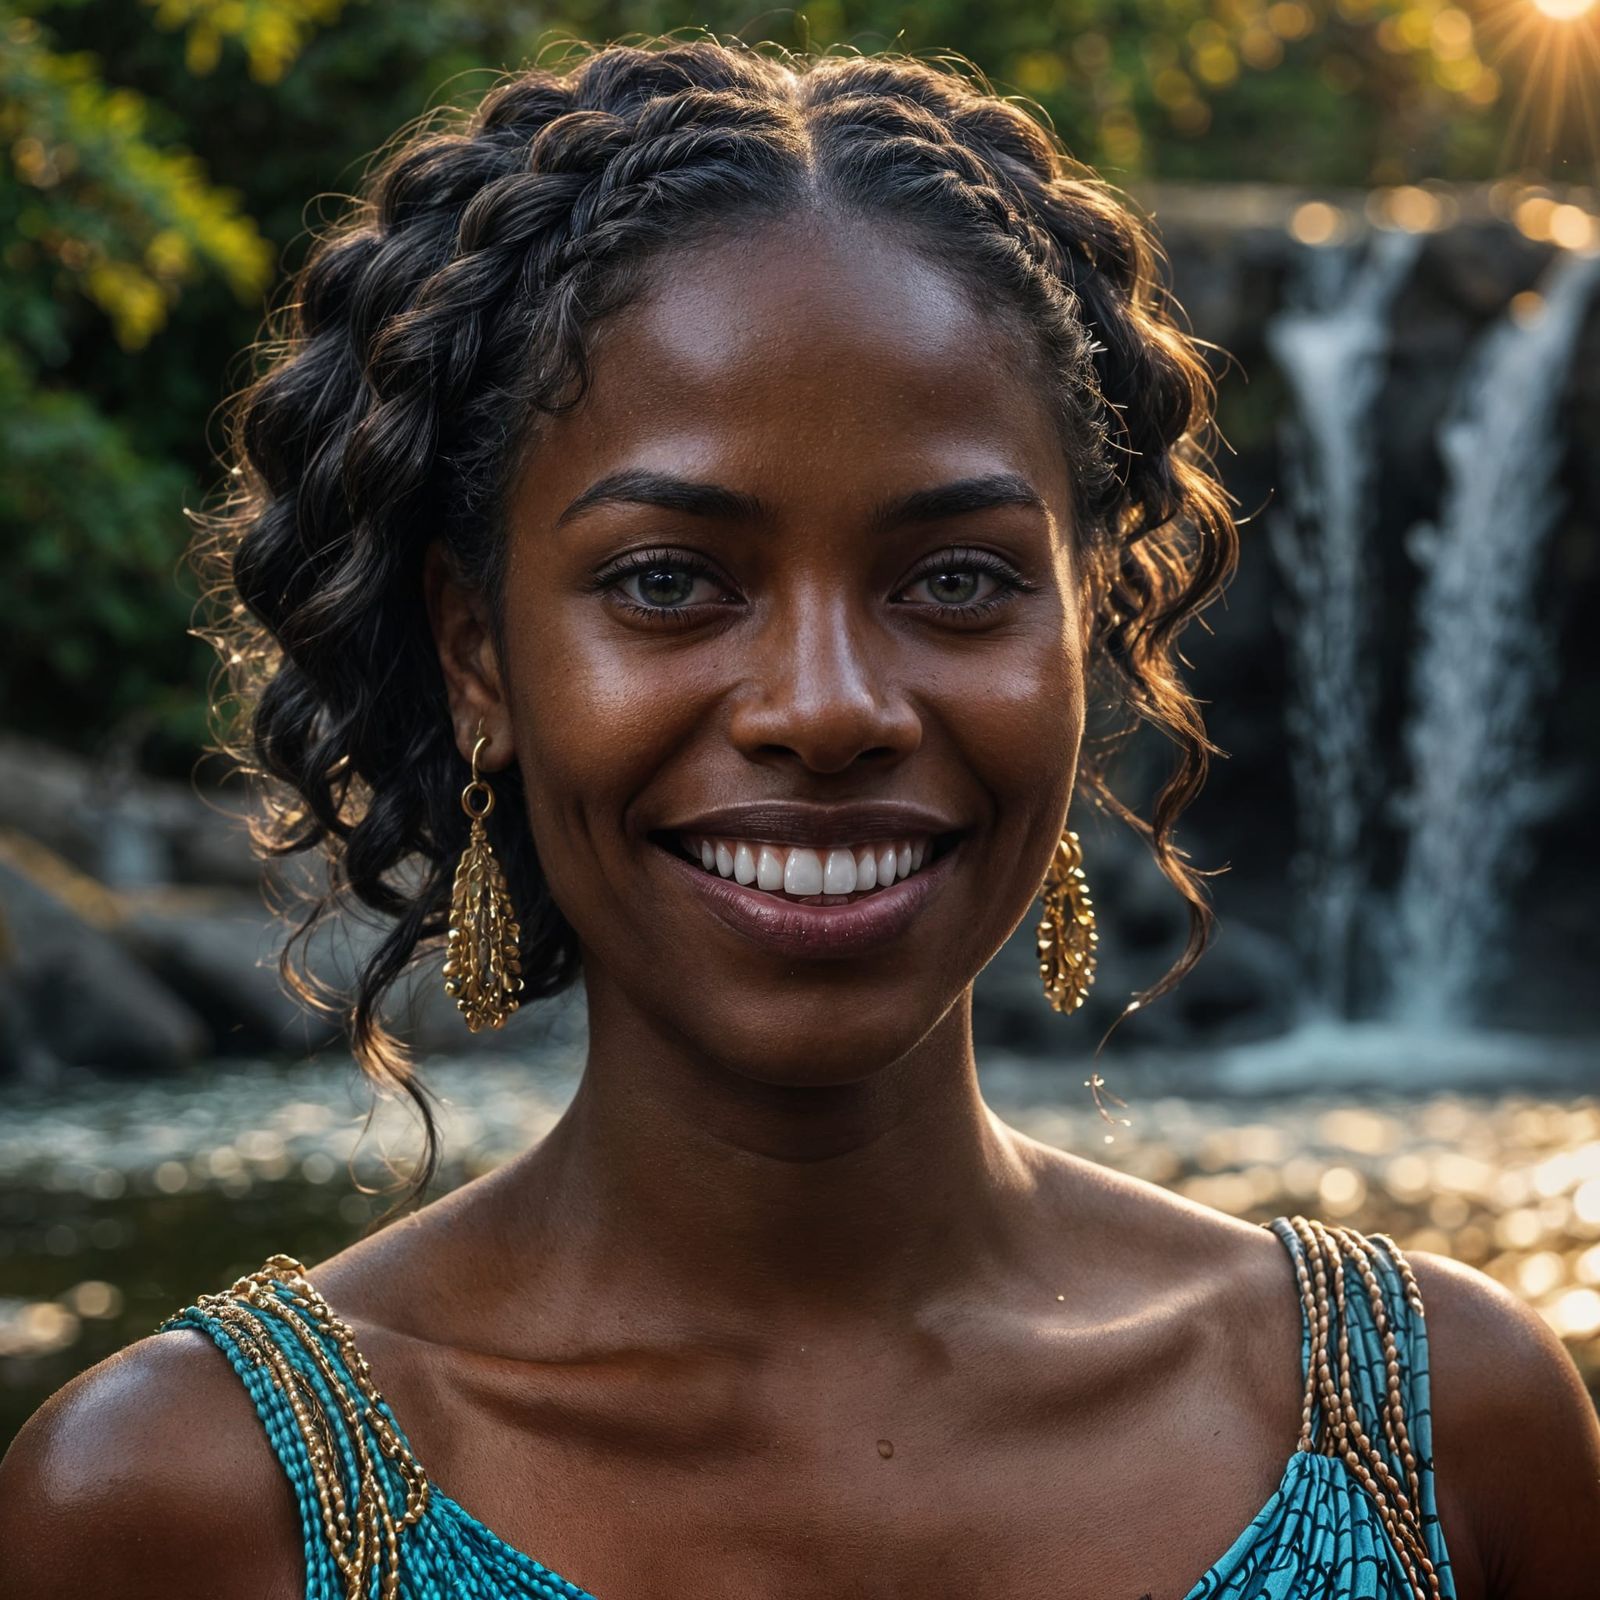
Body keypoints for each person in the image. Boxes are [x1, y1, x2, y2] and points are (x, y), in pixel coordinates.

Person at [2, 35, 1596, 1600]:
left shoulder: (1440, 1440)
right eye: (670, 582)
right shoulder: (187, 1508)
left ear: (1093, 624)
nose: (827, 708)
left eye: (956, 580)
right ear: (478, 650)